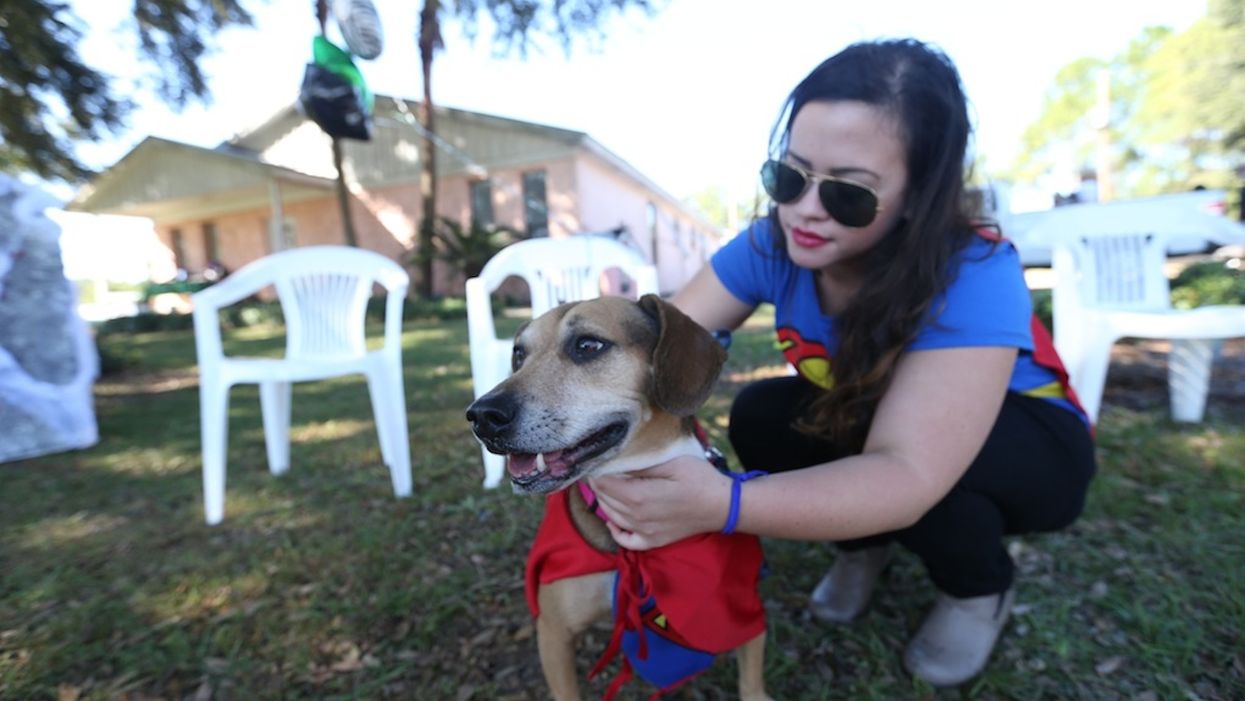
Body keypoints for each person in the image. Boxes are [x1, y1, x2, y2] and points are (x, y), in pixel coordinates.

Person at [589, 38, 1097, 687]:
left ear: (918, 195)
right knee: (766, 414)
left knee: (937, 477)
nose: (804, 209)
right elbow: (664, 353)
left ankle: (976, 587)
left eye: (849, 195)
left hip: (1030, 446)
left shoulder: (972, 270)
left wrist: (723, 503)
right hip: (878, 420)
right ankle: (862, 542)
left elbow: (911, 468)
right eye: (788, 176)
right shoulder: (771, 243)